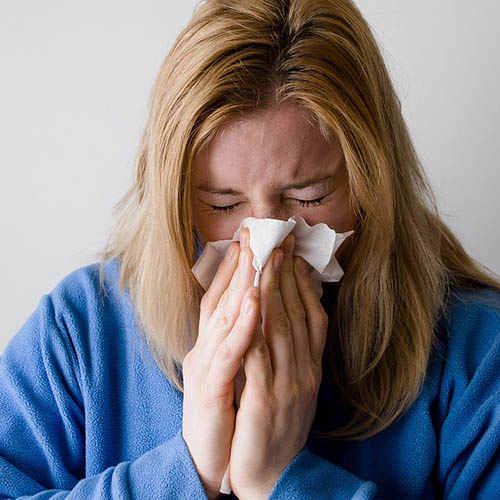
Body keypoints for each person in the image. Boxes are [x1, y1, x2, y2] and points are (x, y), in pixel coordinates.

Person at [1, 0, 500, 498]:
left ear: (372, 184)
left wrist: (279, 480)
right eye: (222, 203)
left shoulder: (478, 355)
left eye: (310, 197)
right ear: (173, 196)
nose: (264, 244)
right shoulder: (81, 331)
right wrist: (188, 469)